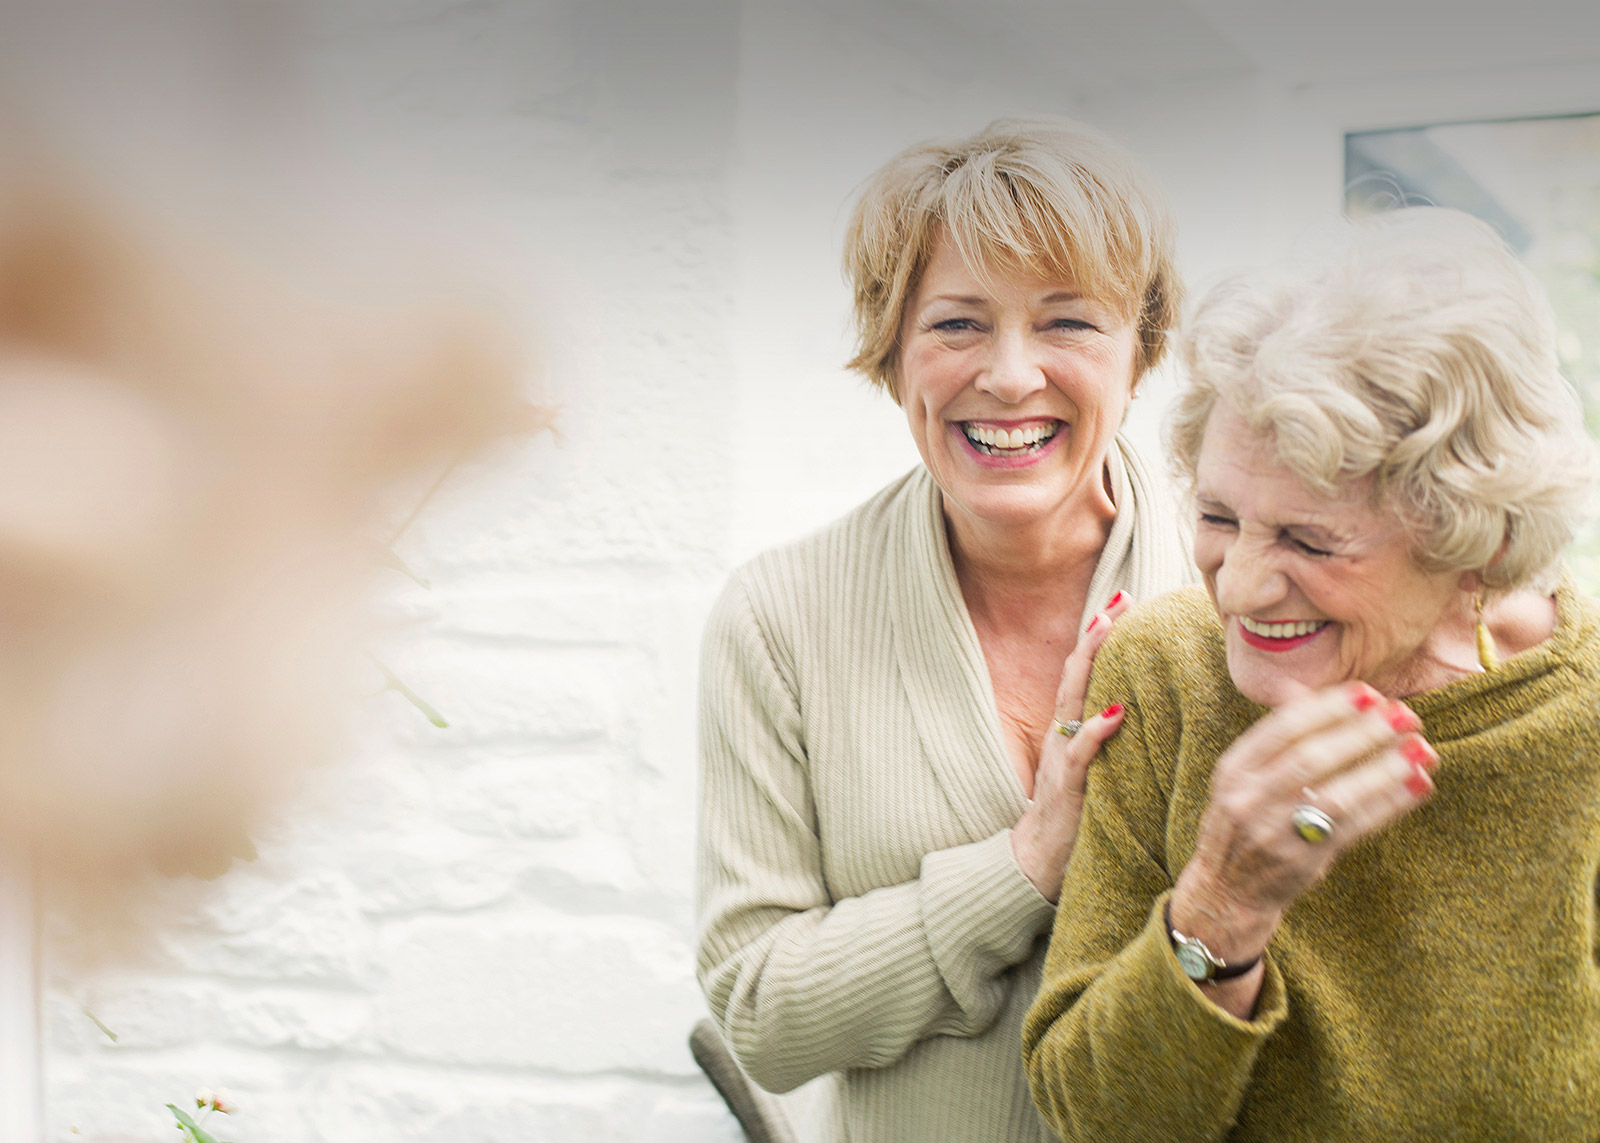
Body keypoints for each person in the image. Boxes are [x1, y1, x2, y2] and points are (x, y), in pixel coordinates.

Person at [1023, 207, 1600, 1142]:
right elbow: (1094, 1116)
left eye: (1309, 538)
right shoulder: (1164, 670)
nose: (1242, 586)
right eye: (1219, 516)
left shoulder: (1582, 718)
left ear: (1475, 542)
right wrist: (1221, 907)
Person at [696, 117, 1193, 1141]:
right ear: (892, 353)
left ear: (1138, 353)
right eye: (958, 325)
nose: (1009, 377)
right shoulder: (783, 617)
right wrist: (1025, 864)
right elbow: (758, 1015)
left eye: (1067, 323)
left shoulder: (1240, 588)